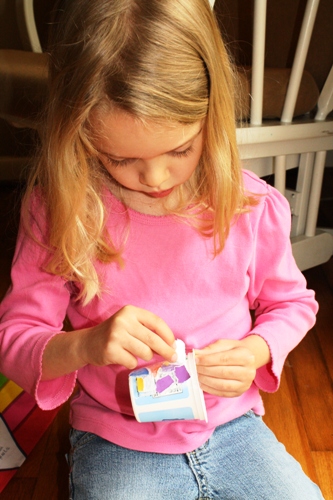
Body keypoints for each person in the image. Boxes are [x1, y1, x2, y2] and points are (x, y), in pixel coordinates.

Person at [0, 0, 324, 498]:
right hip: (115, 437)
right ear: (79, 133)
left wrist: (258, 349)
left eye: (180, 150)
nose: (155, 178)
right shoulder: (60, 211)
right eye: (122, 158)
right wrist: (84, 345)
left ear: (210, 118)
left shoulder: (249, 205)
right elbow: (15, 339)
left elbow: (294, 304)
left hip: (231, 429)